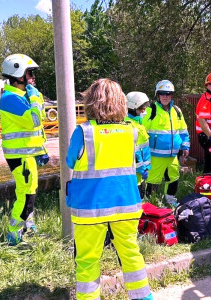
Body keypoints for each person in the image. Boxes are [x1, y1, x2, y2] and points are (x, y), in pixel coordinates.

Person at [66, 79, 153, 300]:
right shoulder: (131, 131)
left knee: (88, 259)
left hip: (89, 207)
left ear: (90, 102)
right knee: (130, 253)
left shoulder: (83, 132)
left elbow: (70, 162)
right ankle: (143, 297)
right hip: (126, 203)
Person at [0, 54, 50, 246]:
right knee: (26, 194)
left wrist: (40, 151)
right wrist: (36, 97)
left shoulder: (21, 97)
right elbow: (34, 120)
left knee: (31, 191)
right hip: (19, 156)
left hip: (28, 155)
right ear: (18, 74)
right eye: (29, 73)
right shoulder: (11, 98)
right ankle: (14, 234)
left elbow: (38, 125)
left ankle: (28, 228)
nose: (32, 77)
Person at [142, 80, 190, 207]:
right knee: (153, 180)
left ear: (172, 95)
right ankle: (150, 203)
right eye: (162, 93)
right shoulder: (150, 111)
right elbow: (141, 131)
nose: (165, 96)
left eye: (168, 94)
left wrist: (185, 146)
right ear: (157, 95)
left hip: (173, 155)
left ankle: (170, 200)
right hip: (155, 155)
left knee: (173, 178)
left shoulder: (177, 111)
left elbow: (183, 131)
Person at [126, 91, 152, 198]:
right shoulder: (129, 125)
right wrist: (142, 169)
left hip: (140, 173)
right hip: (135, 173)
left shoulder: (137, 123)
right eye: (142, 108)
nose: (144, 111)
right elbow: (134, 151)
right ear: (133, 108)